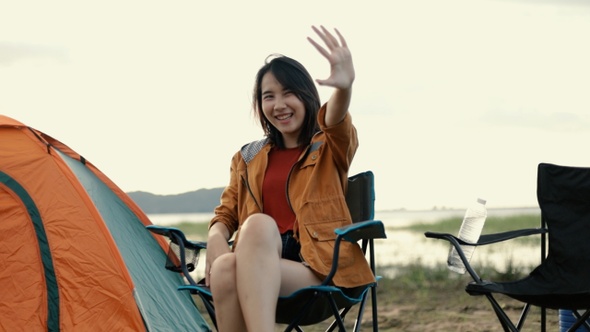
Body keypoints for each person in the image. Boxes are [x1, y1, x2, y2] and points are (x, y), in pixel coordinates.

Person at [204, 25, 374, 332]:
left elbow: (336, 120)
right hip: (255, 264)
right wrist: (216, 237)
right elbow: (226, 213)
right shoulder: (247, 157)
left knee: (257, 223)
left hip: (318, 270)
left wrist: (344, 89)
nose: (279, 105)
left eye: (289, 93)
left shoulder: (327, 146)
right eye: (269, 96)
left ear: (307, 95)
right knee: (227, 265)